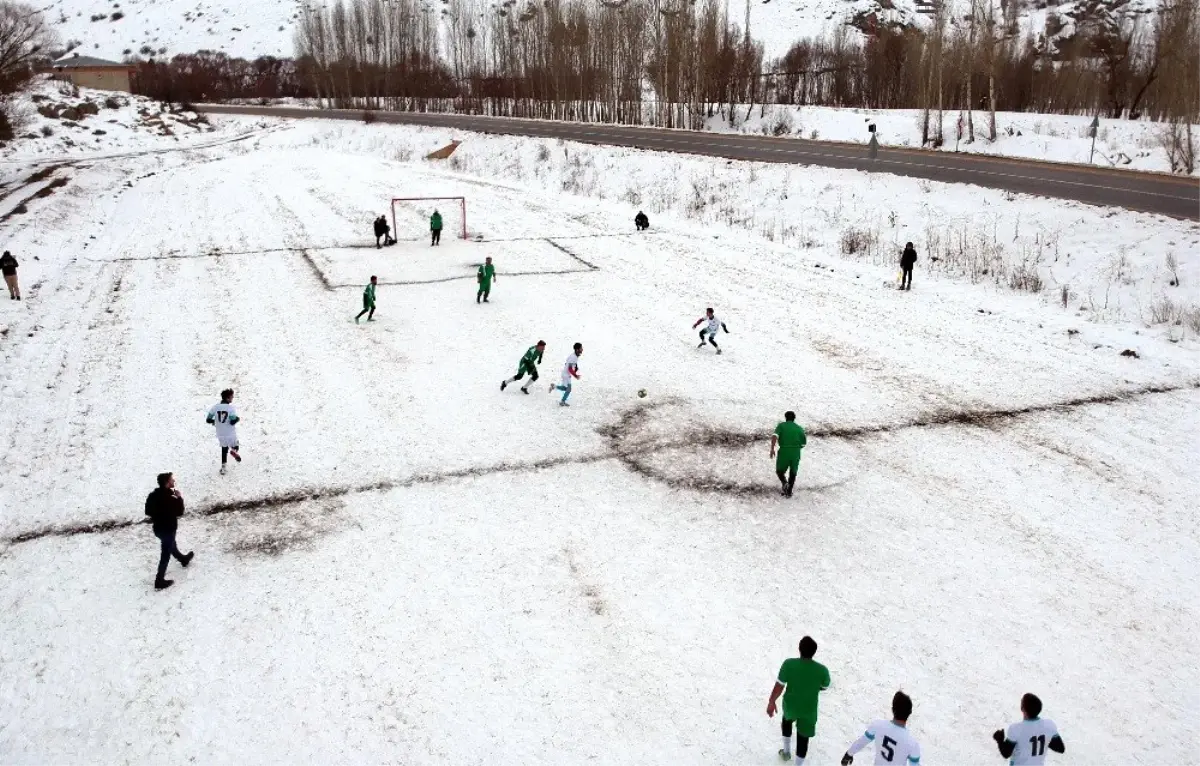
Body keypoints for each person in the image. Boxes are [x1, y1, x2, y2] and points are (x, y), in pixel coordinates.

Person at [767, 636, 831, 763]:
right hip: (809, 710)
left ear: (799, 649)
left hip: (790, 705)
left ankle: (786, 752)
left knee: (786, 722)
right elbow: (824, 686)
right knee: (803, 739)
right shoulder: (822, 670)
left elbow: (779, 686)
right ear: (814, 652)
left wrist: (771, 701)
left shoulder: (789, 664)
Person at [840, 691, 921, 766]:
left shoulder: (878, 725)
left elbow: (862, 741)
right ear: (910, 713)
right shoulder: (912, 743)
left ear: (893, 709)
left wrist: (849, 753)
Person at [144, 472, 194, 590]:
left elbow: (147, 511)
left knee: (171, 545)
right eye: (172, 480)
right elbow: (180, 512)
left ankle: (183, 559)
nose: (174, 481)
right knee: (165, 554)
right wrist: (179, 498)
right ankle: (159, 580)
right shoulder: (171, 498)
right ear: (167, 483)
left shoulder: (153, 495)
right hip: (169, 529)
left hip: (158, 529)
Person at [992, 693, 1065, 765]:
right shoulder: (1049, 725)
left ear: (1022, 709)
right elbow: (1060, 748)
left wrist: (1000, 740)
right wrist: (1044, 739)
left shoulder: (1016, 729)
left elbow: (1006, 754)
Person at [770, 411, 807, 497]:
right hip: (796, 452)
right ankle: (789, 491)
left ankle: (784, 483)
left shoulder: (781, 426)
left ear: (785, 417)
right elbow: (803, 443)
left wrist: (772, 448)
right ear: (794, 418)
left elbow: (775, 436)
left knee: (779, 471)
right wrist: (796, 448)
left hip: (784, 451)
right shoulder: (799, 428)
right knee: (793, 472)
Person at [206, 388, 241, 475]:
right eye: (232, 397)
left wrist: (215, 421)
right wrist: (237, 418)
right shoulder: (230, 408)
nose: (232, 399)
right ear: (227, 398)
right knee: (235, 444)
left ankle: (223, 468)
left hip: (220, 433)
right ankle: (234, 451)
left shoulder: (215, 407)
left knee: (224, 449)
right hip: (230, 432)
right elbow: (232, 421)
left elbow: (208, 419)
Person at [550, 342, 582, 406]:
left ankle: (554, 387)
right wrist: (575, 375)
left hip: (567, 374)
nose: (582, 349)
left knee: (565, 388)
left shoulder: (574, 356)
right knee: (569, 389)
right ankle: (562, 401)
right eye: (581, 348)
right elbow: (570, 368)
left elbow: (567, 363)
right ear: (577, 349)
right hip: (566, 375)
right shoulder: (573, 357)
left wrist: (575, 369)